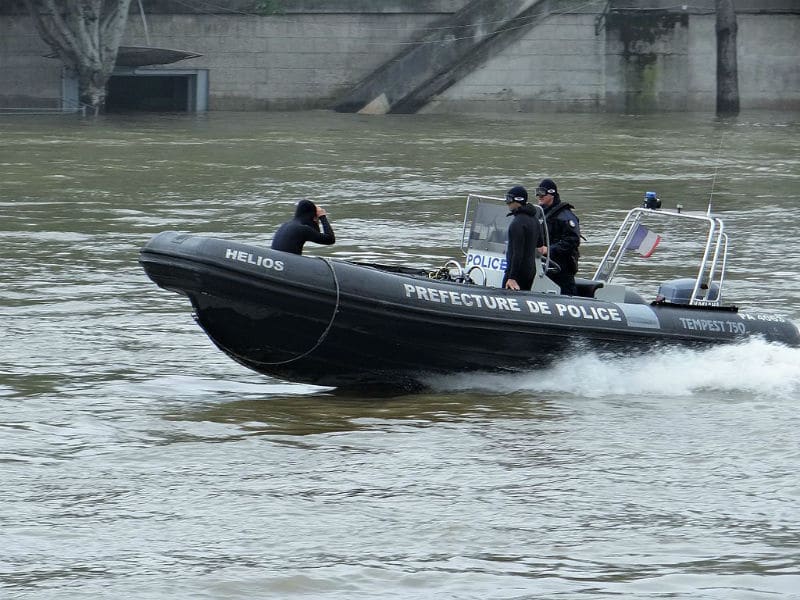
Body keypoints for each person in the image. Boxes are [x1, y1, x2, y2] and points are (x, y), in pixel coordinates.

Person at [535, 178, 580, 295]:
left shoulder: (565, 216)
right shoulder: (540, 214)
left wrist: (549, 249)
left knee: (566, 293)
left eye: (542, 193)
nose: (539, 196)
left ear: (552, 194)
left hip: (561, 267)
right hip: (544, 265)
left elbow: (572, 241)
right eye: (537, 192)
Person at [502, 185, 542, 291]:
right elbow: (540, 245)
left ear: (518, 200)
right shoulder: (535, 220)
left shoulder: (517, 223)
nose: (507, 202)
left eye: (509, 199)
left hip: (516, 273)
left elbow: (517, 253)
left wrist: (512, 277)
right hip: (530, 271)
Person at [271, 199, 335, 255]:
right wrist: (322, 217)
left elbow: (316, 233)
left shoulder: (285, 225)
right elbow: (330, 239)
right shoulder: (302, 229)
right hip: (288, 264)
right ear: (313, 216)